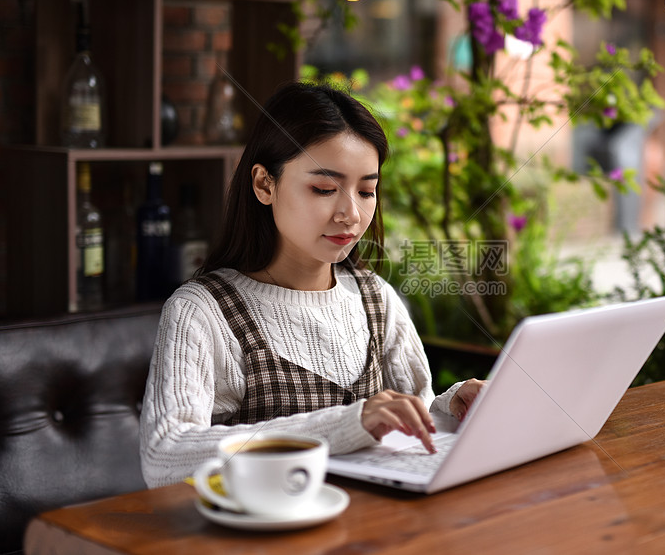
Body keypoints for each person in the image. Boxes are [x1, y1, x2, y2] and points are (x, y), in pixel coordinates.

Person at [139, 81, 484, 488]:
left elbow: (414, 419)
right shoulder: (202, 311)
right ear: (264, 185)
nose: (351, 214)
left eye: (367, 191)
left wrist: (454, 406)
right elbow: (164, 455)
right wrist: (346, 424)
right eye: (324, 189)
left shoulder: (376, 298)